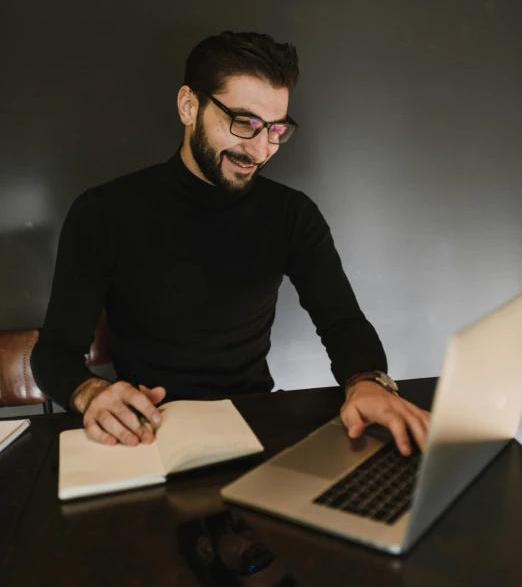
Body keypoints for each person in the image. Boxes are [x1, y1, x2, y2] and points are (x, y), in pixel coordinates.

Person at [31, 31, 430, 455]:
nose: (260, 149)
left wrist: (366, 383)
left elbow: (343, 323)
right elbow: (55, 352)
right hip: (148, 432)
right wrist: (91, 392)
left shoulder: (292, 214)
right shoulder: (102, 212)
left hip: (255, 424)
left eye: (276, 129)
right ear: (189, 106)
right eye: (244, 123)